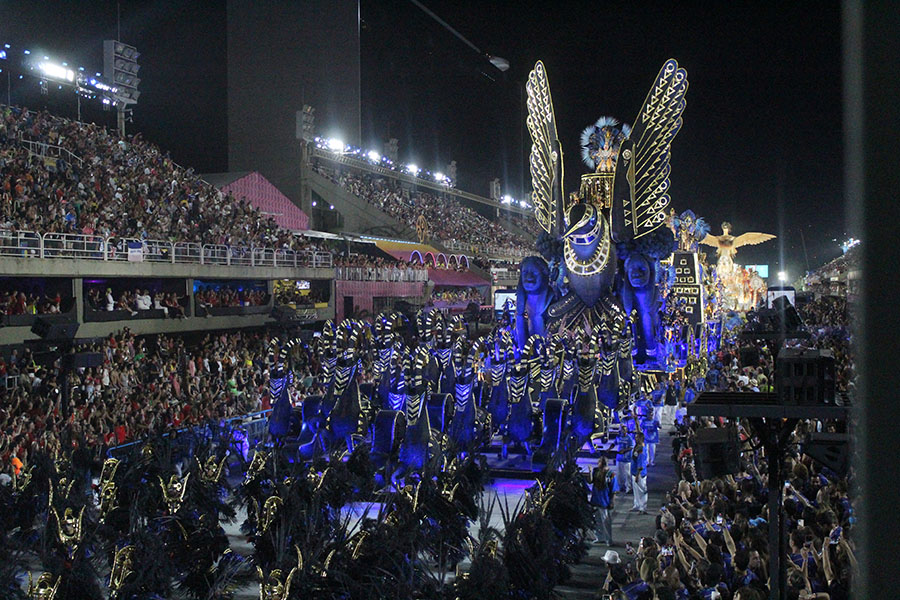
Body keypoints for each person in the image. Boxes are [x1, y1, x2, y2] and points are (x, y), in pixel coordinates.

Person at [589, 456, 616, 545]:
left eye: (599, 462)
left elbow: (613, 490)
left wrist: (612, 501)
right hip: (596, 499)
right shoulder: (596, 471)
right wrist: (590, 471)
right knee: (596, 520)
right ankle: (599, 537)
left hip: (604, 501)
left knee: (606, 522)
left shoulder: (611, 474)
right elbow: (591, 481)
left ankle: (609, 540)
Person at [631, 432, 648, 513]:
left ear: (641, 438)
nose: (635, 438)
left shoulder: (641, 449)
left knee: (641, 490)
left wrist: (638, 475)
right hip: (634, 472)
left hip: (640, 473)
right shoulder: (636, 447)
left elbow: (640, 463)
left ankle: (643, 507)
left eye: (637, 437)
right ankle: (637, 505)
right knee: (636, 490)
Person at [614, 426, 634, 494]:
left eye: (623, 430)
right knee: (619, 474)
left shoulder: (629, 438)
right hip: (619, 458)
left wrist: (624, 451)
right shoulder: (618, 437)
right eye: (621, 430)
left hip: (627, 459)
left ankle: (628, 487)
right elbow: (614, 443)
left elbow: (631, 447)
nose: (622, 431)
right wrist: (609, 448)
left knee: (627, 474)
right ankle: (620, 487)